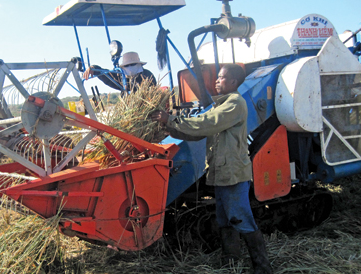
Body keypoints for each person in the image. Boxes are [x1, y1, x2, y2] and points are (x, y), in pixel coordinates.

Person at [149, 64, 272, 274]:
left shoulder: (234, 103)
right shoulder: (220, 105)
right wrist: (169, 127)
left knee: (240, 218)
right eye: (218, 78)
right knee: (225, 220)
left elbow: (205, 124)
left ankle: (262, 268)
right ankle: (230, 262)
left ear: (233, 82)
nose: (217, 81)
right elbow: (197, 133)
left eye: (222, 78)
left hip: (233, 174)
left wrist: (171, 118)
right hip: (221, 172)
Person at [82, 51, 157, 94]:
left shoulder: (147, 76)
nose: (130, 68)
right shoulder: (121, 76)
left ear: (139, 64)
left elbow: (152, 93)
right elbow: (107, 76)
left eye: (133, 64)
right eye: (127, 65)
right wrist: (94, 69)